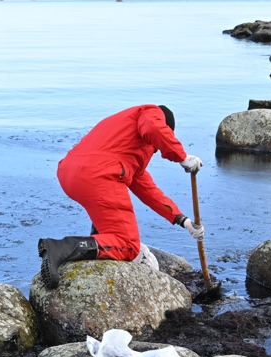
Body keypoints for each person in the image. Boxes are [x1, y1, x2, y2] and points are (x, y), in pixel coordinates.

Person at [38, 104, 204, 288]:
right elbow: (154, 128)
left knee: (111, 228)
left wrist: (182, 219)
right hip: (99, 175)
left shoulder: (123, 136)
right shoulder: (150, 113)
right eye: (157, 145)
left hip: (70, 173)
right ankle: (61, 248)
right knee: (128, 244)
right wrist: (182, 157)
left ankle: (99, 237)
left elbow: (148, 189)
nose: (156, 150)